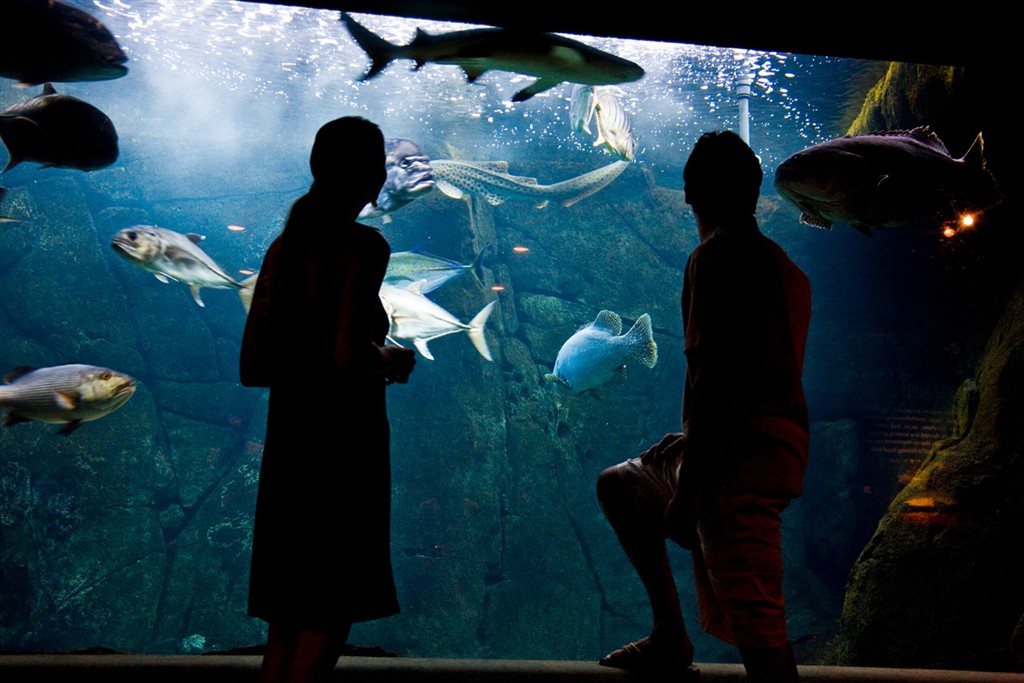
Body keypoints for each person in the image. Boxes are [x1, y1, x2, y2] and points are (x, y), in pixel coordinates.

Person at [596, 131, 811, 683]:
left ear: (692, 193)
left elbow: (713, 379)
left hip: (734, 469)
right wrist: (693, 442)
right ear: (753, 192)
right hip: (767, 450)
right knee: (621, 483)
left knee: (762, 637)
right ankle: (670, 635)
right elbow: (759, 378)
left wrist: (689, 492)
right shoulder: (787, 269)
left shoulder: (715, 258)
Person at [240, 116, 417, 683]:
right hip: (343, 442)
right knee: (330, 605)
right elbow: (347, 356)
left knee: (290, 608)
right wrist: (393, 359)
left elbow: (252, 366)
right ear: (372, 176)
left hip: (290, 437)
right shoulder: (362, 245)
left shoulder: (284, 246)